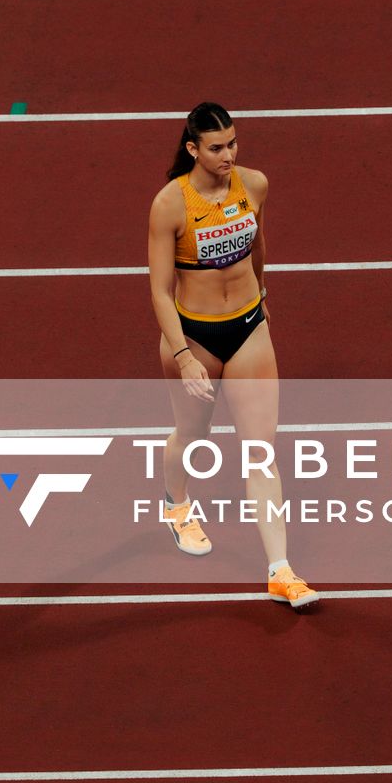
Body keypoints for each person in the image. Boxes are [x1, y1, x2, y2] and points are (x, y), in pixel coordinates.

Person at [147, 102, 318, 609]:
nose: (229, 155)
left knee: (261, 450)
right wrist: (183, 356)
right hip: (193, 338)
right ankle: (177, 506)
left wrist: (263, 297)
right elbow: (159, 291)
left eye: (233, 143)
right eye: (217, 147)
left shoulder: (254, 185)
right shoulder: (169, 205)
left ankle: (280, 571)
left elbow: (259, 244)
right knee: (193, 435)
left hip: (247, 329)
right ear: (193, 149)